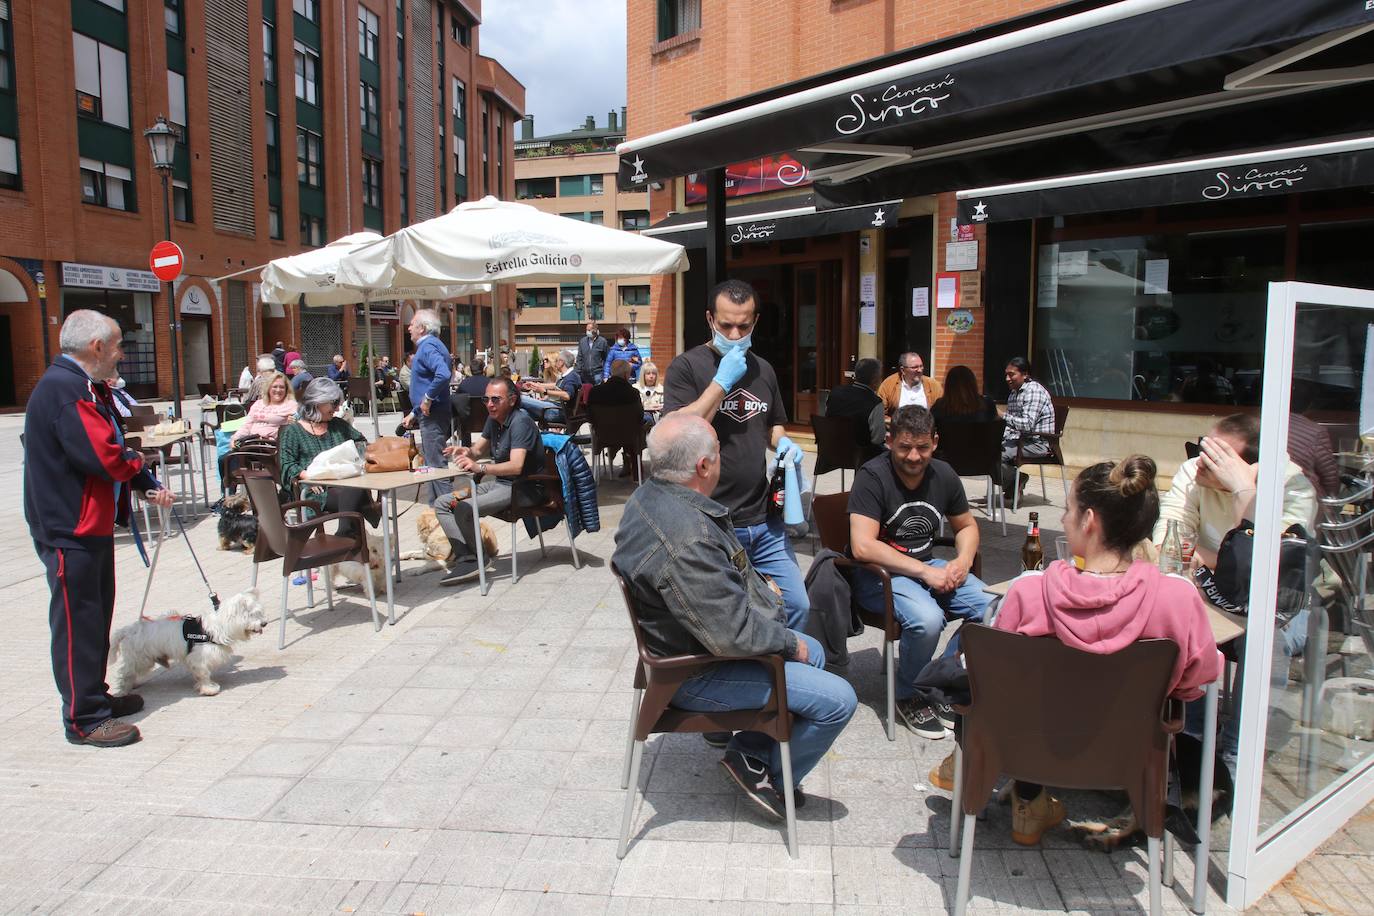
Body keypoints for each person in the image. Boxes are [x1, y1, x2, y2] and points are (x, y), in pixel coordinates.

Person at [930, 456, 1222, 845]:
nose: (1064, 520)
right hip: (1131, 760)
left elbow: (993, 683)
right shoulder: (1180, 601)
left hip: (1028, 754)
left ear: (1089, 521)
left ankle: (1015, 797)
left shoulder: (1028, 592)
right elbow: (1195, 683)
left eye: (1067, 510)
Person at [612, 413, 857, 817]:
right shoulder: (687, 537)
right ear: (703, 466)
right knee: (838, 698)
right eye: (718, 452)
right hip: (693, 671)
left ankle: (750, 753)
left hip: (688, 643)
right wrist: (786, 638)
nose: (724, 458)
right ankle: (772, 776)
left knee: (813, 652)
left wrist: (762, 591)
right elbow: (731, 635)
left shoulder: (650, 495)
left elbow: (715, 591)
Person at [24, 310, 176, 747]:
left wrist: (143, 481)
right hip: (67, 527)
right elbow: (103, 455)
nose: (121, 355)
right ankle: (84, 718)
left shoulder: (84, 386)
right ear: (97, 347)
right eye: (116, 346)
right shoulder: (67, 390)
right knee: (77, 623)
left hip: (87, 524)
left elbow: (109, 444)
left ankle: (95, 696)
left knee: (95, 616)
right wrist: (138, 465)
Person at [663, 277, 809, 633]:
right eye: (725, 324)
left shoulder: (764, 369)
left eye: (743, 325)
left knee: (796, 605)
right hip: (711, 522)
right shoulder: (686, 367)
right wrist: (721, 383)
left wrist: (784, 443)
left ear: (755, 322)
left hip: (762, 520)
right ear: (710, 319)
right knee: (729, 619)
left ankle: (788, 683)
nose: (733, 333)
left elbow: (772, 424)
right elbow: (681, 433)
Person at [848, 405, 991, 739]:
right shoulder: (872, 476)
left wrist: (962, 561)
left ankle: (941, 677)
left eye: (922, 447)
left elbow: (967, 526)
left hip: (929, 565)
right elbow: (863, 547)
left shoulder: (943, 474)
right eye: (905, 447)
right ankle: (909, 695)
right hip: (878, 575)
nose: (914, 456)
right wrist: (926, 574)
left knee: (996, 609)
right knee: (927, 619)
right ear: (889, 441)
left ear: (935, 442)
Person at [1154, 413, 1316, 570]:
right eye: (1203, 448)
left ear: (1250, 468)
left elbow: (1266, 565)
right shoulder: (1192, 470)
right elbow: (1168, 544)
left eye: (1216, 459)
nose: (1200, 462)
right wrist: (1226, 564)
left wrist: (1243, 489)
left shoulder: (1295, 490)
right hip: (1208, 581)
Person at [433, 377, 543, 585]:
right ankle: (467, 558)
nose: (489, 404)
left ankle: (479, 560)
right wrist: (464, 451)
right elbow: (477, 451)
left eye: (495, 399)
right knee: (442, 503)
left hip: (523, 487)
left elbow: (516, 466)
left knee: (464, 508)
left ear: (511, 400)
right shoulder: (494, 420)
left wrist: (481, 467)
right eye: (486, 399)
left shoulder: (520, 422)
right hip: (502, 483)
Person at [277, 378, 379, 540]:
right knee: (355, 495)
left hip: (345, 484)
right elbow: (287, 466)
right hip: (315, 490)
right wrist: (308, 476)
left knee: (355, 488)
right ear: (317, 402)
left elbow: (362, 444)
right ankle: (350, 540)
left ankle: (345, 535)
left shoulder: (338, 425)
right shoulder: (293, 431)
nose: (338, 408)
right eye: (333, 403)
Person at [404, 309, 453, 502]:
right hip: (430, 413)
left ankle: (446, 510)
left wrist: (427, 398)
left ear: (422, 328)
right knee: (433, 464)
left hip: (433, 414)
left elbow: (442, 374)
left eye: (412, 324)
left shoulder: (428, 347)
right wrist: (415, 412)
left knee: (436, 465)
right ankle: (436, 509)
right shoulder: (434, 345)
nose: (409, 328)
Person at [1000, 357, 1056, 502]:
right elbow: (1010, 425)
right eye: (1006, 374)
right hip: (1019, 440)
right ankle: (1014, 481)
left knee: (997, 455)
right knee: (989, 449)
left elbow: (1027, 425)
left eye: (1011, 374)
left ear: (1025, 374)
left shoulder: (1033, 391)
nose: (1007, 378)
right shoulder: (1014, 393)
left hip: (1038, 443)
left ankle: (1015, 481)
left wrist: (1002, 415)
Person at [587, 359, 645, 476]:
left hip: (603, 436)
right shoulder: (633, 393)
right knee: (641, 428)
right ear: (626, 375)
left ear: (612, 372)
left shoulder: (595, 392)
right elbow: (640, 416)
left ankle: (618, 456)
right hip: (629, 436)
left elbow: (590, 417)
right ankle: (636, 471)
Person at [822, 357, 885, 462]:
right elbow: (878, 439)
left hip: (830, 451)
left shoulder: (835, 392)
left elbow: (828, 418)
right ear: (875, 379)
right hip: (862, 457)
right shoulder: (875, 402)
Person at [519, 348, 582, 425]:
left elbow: (567, 395)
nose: (555, 363)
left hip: (557, 411)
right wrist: (535, 385)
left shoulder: (572, 377)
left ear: (561, 362)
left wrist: (545, 392)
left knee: (520, 398)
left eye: (556, 361)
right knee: (521, 413)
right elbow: (555, 385)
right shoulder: (567, 376)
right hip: (554, 408)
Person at [231, 371, 295, 445]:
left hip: (272, 445)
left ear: (286, 390)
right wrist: (235, 438)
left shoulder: (291, 405)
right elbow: (247, 425)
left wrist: (293, 423)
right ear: (268, 388)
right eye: (274, 387)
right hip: (251, 441)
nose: (278, 390)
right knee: (227, 456)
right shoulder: (258, 403)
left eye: (282, 387)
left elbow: (297, 428)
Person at [877, 351, 944, 414]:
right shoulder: (888, 385)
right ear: (903, 370)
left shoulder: (934, 386)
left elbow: (942, 412)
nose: (920, 370)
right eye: (915, 367)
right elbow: (880, 414)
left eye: (921, 366)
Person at [930, 365, 997, 424]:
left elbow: (929, 428)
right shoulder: (987, 404)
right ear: (972, 384)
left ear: (949, 386)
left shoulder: (940, 407)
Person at [576, 319, 611, 384]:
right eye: (586, 330)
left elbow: (607, 358)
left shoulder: (602, 341)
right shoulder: (582, 341)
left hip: (598, 373)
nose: (587, 332)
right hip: (585, 374)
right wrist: (577, 372)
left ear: (594, 330)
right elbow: (579, 358)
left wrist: (606, 373)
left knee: (598, 391)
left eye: (589, 330)